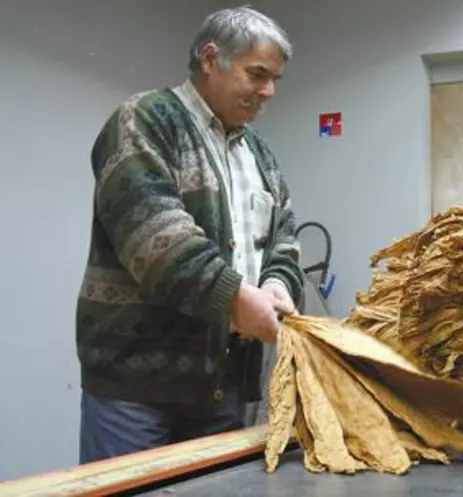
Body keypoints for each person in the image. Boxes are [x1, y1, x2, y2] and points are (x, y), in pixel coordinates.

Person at [75, 5, 304, 464]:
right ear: (210, 58)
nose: (269, 91)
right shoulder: (144, 120)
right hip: (137, 390)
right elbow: (156, 238)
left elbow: (284, 237)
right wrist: (238, 301)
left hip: (224, 388)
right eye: (257, 73)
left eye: (275, 79)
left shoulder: (261, 153)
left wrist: (277, 284)